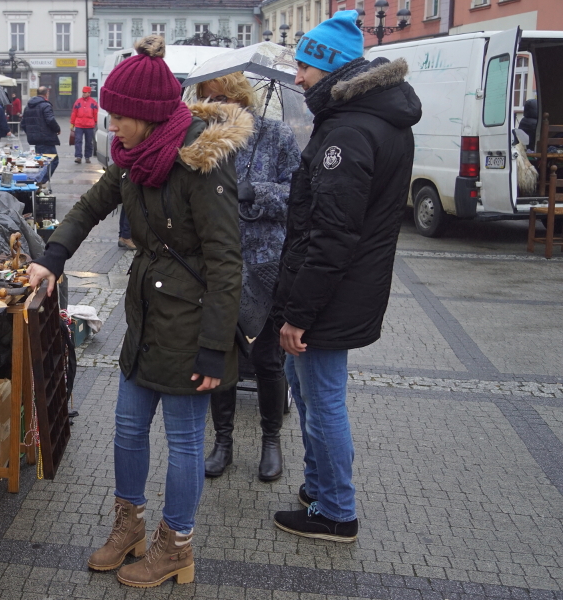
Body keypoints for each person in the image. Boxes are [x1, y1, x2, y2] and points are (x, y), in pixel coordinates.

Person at [27, 35, 249, 588]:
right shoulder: (133, 157)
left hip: (192, 325)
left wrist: (215, 348)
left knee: (183, 442)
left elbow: (227, 263)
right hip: (147, 315)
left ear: (149, 115)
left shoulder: (202, 164)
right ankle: (129, 525)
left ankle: (176, 545)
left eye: (120, 116)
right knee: (127, 431)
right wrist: (52, 257)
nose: (111, 126)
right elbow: (89, 206)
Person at [271, 10, 421, 542]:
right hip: (344, 290)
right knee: (311, 394)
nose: (298, 78)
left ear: (331, 68)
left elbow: (332, 235)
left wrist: (299, 315)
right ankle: (318, 488)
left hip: (332, 296)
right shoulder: (365, 120)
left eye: (305, 67)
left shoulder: (349, 131)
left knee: (322, 400)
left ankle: (336, 511)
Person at [196, 72, 302, 481]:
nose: (216, 109)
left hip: (264, 263)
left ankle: (270, 441)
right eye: (208, 101)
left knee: (268, 359)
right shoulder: (207, 140)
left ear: (239, 98)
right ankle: (222, 443)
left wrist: (254, 190)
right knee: (221, 354)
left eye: (221, 99)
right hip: (219, 265)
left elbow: (297, 196)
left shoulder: (276, 136)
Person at [22, 86, 61, 176]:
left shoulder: (28, 106)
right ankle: (40, 180)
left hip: (35, 140)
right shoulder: (46, 105)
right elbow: (50, 120)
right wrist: (57, 129)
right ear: (46, 94)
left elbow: (23, 124)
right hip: (46, 139)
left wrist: (31, 133)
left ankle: (38, 182)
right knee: (53, 161)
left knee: (40, 162)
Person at [70, 86, 98, 164]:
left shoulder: (93, 102)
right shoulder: (78, 102)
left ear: (89, 93)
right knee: (78, 141)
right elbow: (74, 113)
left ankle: (87, 157)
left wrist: (96, 122)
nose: (83, 94)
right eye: (83, 92)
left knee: (89, 142)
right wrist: (72, 123)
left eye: (85, 92)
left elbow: (95, 113)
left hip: (89, 125)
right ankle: (78, 157)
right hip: (79, 125)